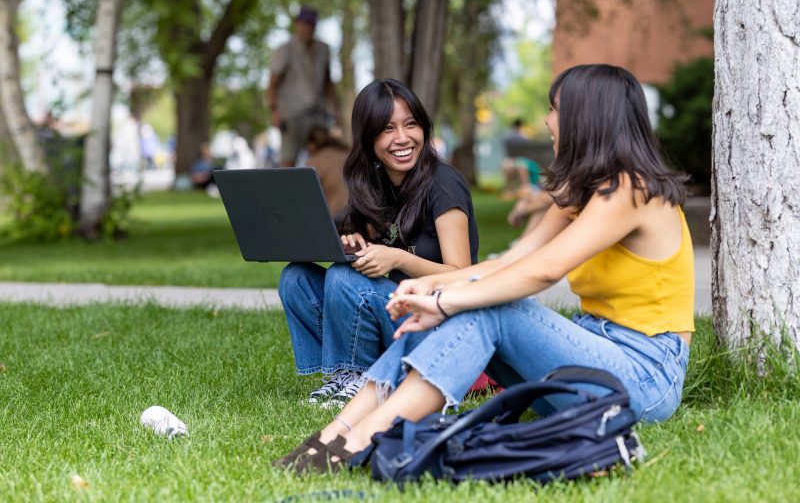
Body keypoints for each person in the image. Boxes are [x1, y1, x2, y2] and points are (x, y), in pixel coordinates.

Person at [274, 64, 694, 473]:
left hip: (644, 377)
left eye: (554, 109)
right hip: (591, 359)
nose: (546, 120)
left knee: (488, 308)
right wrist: (429, 287)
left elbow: (544, 270)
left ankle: (359, 442)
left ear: (587, 117)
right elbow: (509, 262)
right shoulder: (580, 193)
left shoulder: (632, 189)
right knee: (469, 305)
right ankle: (335, 434)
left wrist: (446, 301)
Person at [278, 78, 479, 410]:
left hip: (436, 324)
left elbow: (462, 275)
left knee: (342, 278)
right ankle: (342, 374)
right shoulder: (373, 184)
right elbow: (374, 253)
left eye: (410, 124)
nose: (402, 138)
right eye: (388, 128)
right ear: (369, 137)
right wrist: (354, 243)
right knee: (296, 278)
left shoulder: (443, 183)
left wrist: (397, 258)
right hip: (394, 315)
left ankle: (364, 377)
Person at [266, 5, 341, 167]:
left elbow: (328, 82)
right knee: (288, 161)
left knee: (323, 158)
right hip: (292, 114)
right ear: (297, 24)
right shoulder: (284, 50)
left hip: (318, 112)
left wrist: (336, 109)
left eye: (311, 24)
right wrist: (274, 112)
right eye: (304, 23)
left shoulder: (324, 49)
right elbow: (272, 84)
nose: (307, 28)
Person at [303, 125, 349, 226]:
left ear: (311, 144)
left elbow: (307, 198)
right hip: (359, 209)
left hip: (337, 215)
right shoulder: (346, 153)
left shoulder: (313, 162)